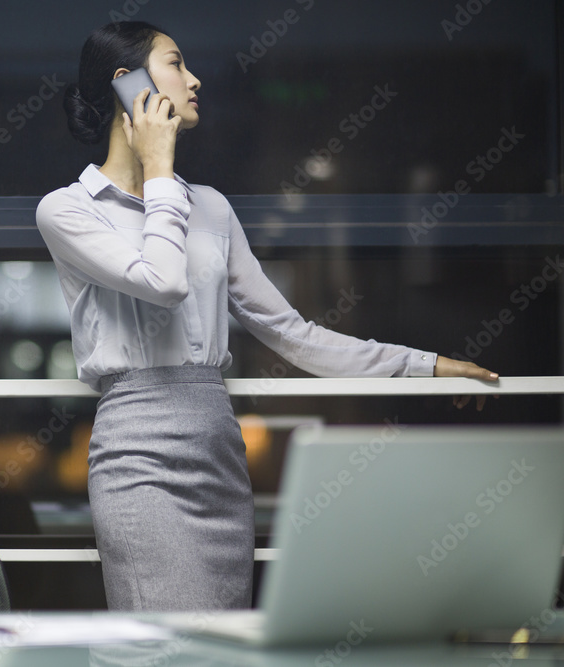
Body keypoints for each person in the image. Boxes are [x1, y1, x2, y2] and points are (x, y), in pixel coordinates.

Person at [34, 21, 498, 612]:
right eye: (176, 64)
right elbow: (163, 281)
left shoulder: (212, 207)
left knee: (226, 645)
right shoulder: (67, 209)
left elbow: (292, 334)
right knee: (162, 647)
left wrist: (424, 366)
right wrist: (158, 170)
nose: (194, 79)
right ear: (128, 86)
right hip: (137, 457)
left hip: (219, 451)